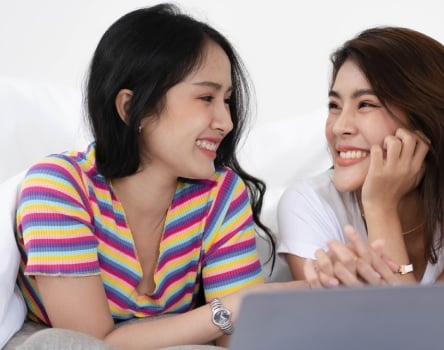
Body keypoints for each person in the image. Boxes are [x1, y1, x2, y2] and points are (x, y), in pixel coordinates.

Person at [14, 4, 305, 349]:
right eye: (206, 97)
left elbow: (239, 339)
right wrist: (227, 309)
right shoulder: (59, 187)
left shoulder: (220, 193)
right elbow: (90, 341)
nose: (225, 122)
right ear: (130, 108)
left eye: (226, 101)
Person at [277, 26, 444, 323]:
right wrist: (380, 205)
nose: (339, 127)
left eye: (366, 104)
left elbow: (423, 333)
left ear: (424, 118)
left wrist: (380, 207)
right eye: (334, 105)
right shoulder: (308, 203)